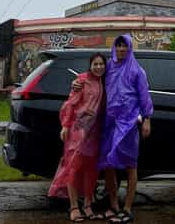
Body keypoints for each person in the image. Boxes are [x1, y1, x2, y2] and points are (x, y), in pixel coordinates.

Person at [74, 34, 153, 223]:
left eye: (124, 46)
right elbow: (93, 76)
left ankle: (127, 208)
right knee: (108, 165)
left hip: (129, 123)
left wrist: (147, 118)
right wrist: (77, 82)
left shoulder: (137, 71)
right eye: (118, 45)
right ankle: (114, 206)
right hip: (109, 122)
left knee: (130, 166)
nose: (121, 49)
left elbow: (144, 96)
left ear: (130, 48)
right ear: (114, 47)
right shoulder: (108, 66)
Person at [49, 53, 107, 222]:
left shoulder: (104, 81)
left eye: (101, 64)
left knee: (91, 170)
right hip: (78, 132)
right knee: (73, 167)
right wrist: (65, 126)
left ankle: (88, 205)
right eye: (95, 64)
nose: (98, 67)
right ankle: (74, 207)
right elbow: (71, 103)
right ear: (90, 65)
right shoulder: (81, 81)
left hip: (95, 133)